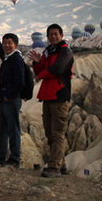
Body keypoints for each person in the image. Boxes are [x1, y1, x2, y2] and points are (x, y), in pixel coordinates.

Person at [28, 23, 74, 178]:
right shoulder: (50, 51)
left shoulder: (65, 52)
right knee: (49, 133)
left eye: (56, 34)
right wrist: (37, 62)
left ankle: (54, 167)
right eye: (50, 34)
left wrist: (41, 74)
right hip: (47, 95)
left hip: (59, 95)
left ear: (61, 35)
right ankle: (62, 165)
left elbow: (57, 69)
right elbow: (41, 69)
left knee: (58, 133)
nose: (53, 37)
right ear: (47, 37)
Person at [0, 15, 26, 168]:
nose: (7, 45)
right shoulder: (8, 57)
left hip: (11, 99)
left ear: (16, 45)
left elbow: (20, 82)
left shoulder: (16, 59)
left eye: (10, 43)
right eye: (5, 43)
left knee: (13, 129)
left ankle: (14, 159)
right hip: (5, 98)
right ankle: (0, 156)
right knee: (2, 128)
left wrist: (9, 95)